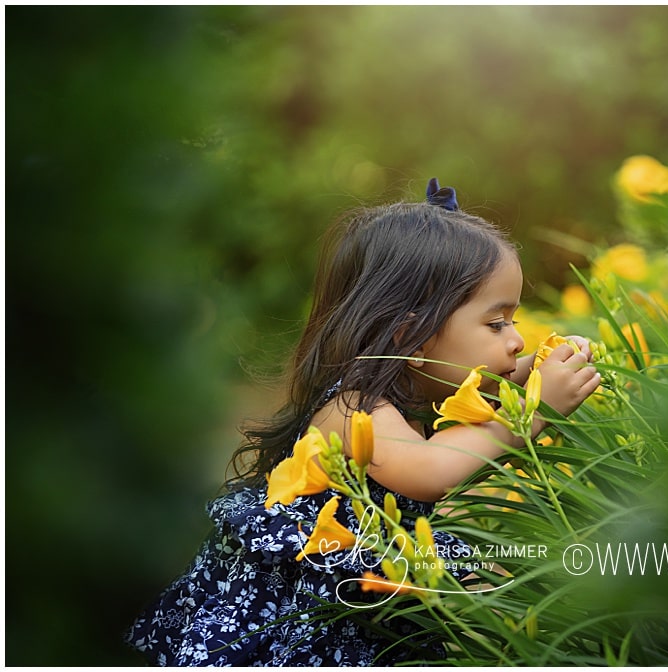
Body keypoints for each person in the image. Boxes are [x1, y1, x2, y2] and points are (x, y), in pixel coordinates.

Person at [125, 179, 602, 665]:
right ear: (410, 335)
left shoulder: (421, 383)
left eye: (514, 321)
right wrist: (536, 411)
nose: (515, 340)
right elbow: (428, 473)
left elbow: (509, 371)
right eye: (496, 323)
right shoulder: (353, 408)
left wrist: (551, 364)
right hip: (288, 629)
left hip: (353, 602)